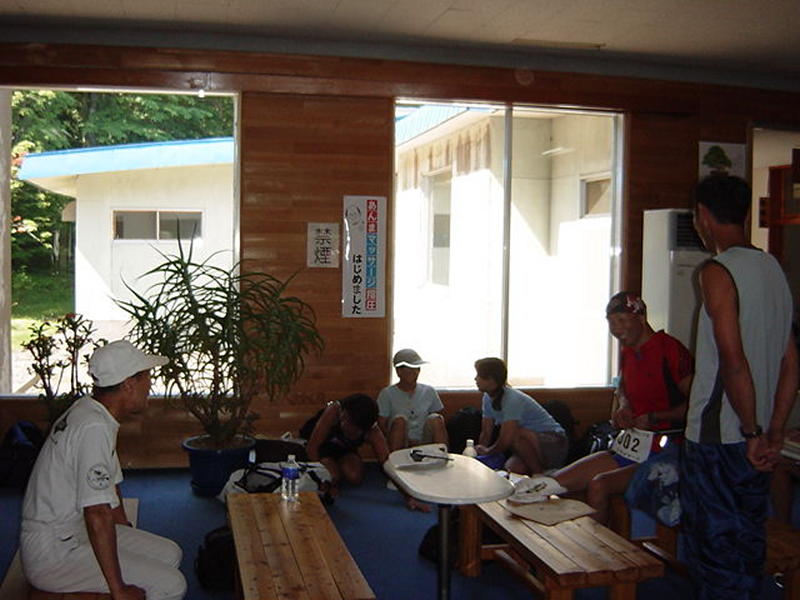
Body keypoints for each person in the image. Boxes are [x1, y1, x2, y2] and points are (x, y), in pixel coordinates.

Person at [681, 174, 798, 599]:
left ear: (703, 216)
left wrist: (750, 431)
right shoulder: (772, 268)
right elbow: (791, 361)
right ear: (745, 214)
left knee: (714, 558)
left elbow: (733, 361)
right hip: (758, 438)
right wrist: (774, 431)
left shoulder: (717, 271)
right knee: (747, 547)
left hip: (721, 439)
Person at [20, 340, 187, 600]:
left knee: (171, 553)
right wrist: (118, 589)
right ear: (128, 385)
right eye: (146, 377)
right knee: (172, 585)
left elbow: (109, 482)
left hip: (72, 533)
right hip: (54, 552)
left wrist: (124, 530)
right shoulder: (93, 427)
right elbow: (97, 513)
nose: (150, 384)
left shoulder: (91, 409)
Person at [551, 292, 693, 524]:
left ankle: (600, 546)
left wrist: (656, 417)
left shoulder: (669, 350)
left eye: (622, 320)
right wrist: (624, 408)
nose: (616, 329)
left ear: (641, 318)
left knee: (599, 485)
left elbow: (699, 405)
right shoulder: (628, 352)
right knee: (554, 483)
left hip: (667, 451)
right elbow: (624, 388)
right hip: (632, 447)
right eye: (611, 322)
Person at [304, 392, 428, 511]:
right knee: (332, 475)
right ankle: (333, 471)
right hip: (321, 448)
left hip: (344, 450)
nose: (344, 424)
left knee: (354, 476)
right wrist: (322, 481)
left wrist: (408, 497)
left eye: (350, 425)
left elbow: (388, 464)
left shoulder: (373, 432)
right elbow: (311, 449)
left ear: (362, 429)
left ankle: (336, 469)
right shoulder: (333, 411)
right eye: (344, 419)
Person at [474, 357, 568, 475]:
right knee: (512, 468)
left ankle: (539, 475)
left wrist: (488, 451)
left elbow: (507, 439)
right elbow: (486, 432)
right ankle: (540, 472)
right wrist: (478, 455)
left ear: (491, 380)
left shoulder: (512, 399)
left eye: (479, 375)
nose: (475, 379)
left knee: (515, 433)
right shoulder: (487, 398)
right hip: (526, 443)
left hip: (554, 441)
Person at [377, 348, 447, 451]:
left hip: (424, 441)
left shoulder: (429, 391)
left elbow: (440, 421)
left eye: (417, 369)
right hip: (400, 441)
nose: (415, 373)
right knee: (400, 421)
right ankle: (395, 459)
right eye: (411, 369)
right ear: (399, 371)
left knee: (436, 419)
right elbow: (381, 426)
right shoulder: (387, 394)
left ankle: (442, 456)